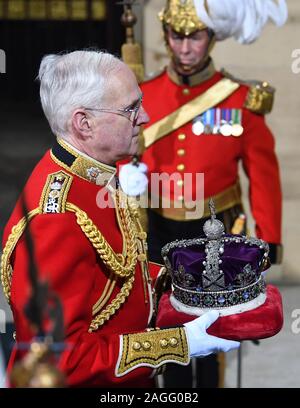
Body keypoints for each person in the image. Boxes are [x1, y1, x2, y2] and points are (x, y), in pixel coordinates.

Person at [0, 50, 239, 388]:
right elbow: (59, 360)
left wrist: (190, 282)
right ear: (84, 123)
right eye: (130, 109)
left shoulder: (96, 174)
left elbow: (119, 276)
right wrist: (178, 344)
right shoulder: (54, 219)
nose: (145, 117)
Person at [140, 0, 287, 387]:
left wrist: (269, 238)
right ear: (166, 36)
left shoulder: (241, 99)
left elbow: (263, 174)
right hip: (157, 225)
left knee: (215, 329)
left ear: (212, 37)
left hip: (216, 228)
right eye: (178, 36)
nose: (186, 47)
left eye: (196, 36)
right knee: (164, 323)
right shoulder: (144, 94)